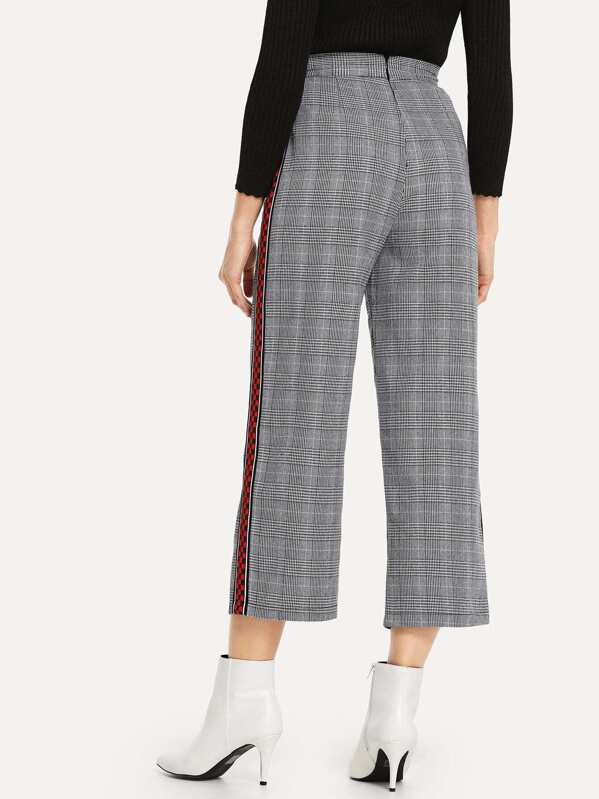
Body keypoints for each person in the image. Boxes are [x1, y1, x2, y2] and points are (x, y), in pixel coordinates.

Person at [158, 1, 512, 790]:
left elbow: (284, 47)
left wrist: (243, 214)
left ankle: (245, 704)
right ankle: (395, 719)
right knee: (436, 430)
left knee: (294, 416)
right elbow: (491, 65)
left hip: (327, 132)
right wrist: (484, 215)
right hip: (434, 144)